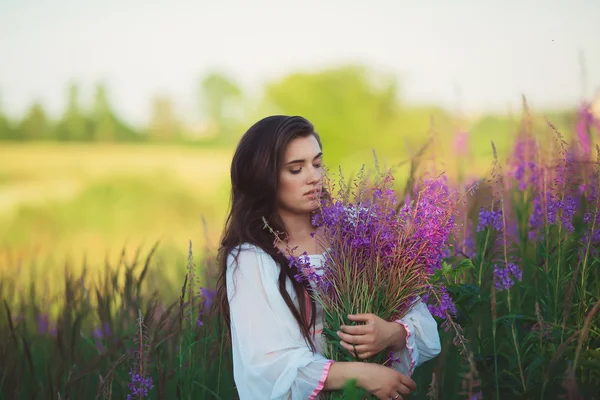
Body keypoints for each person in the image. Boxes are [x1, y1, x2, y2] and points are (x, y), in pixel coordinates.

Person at [214, 115, 441, 400]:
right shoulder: (252, 260)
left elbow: (421, 319)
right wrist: (362, 374)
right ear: (264, 178)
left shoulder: (356, 229)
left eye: (317, 164)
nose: (314, 177)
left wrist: (391, 333)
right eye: (296, 169)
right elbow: (269, 367)